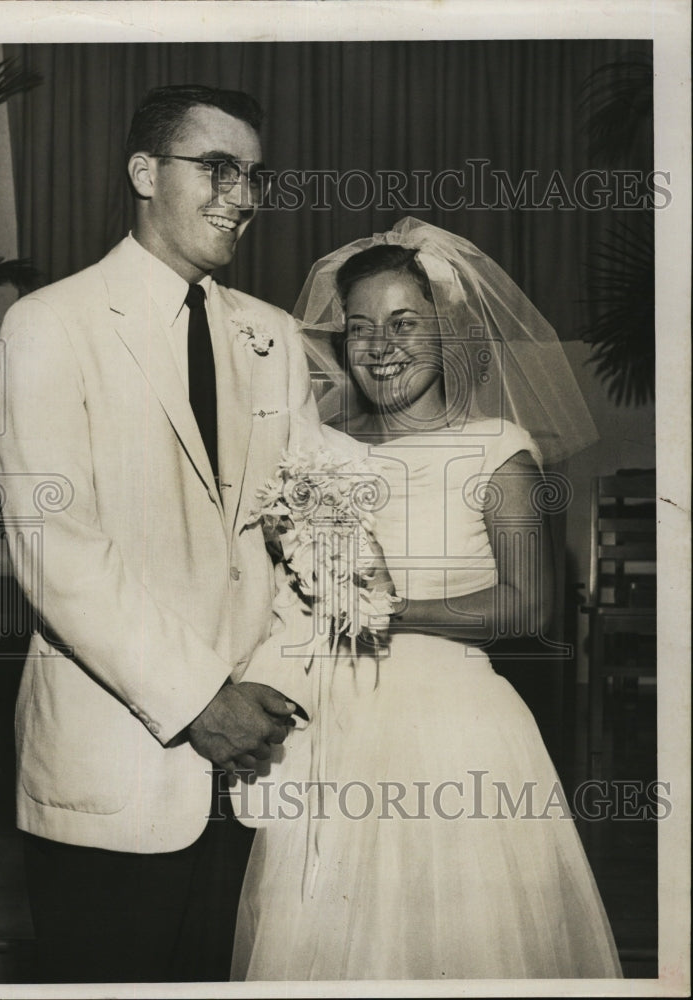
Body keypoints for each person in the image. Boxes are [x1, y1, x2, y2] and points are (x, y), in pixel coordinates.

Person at [229, 218, 623, 980]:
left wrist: (384, 609)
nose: (381, 346)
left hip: (452, 727)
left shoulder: (495, 448)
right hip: (331, 725)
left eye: (404, 323)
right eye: (360, 328)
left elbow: (525, 606)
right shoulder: (321, 452)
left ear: (445, 330)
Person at [0, 84, 320, 983]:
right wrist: (198, 698)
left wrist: (271, 690)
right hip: (118, 762)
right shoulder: (49, 324)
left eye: (254, 175)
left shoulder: (274, 338)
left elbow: (308, 540)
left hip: (259, 765)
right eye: (217, 168)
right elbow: (55, 551)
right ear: (144, 172)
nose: (244, 196)